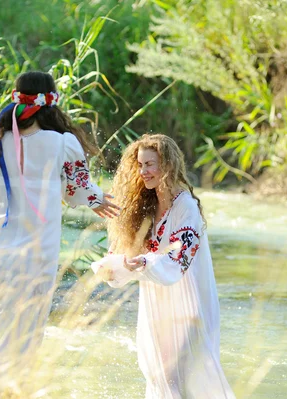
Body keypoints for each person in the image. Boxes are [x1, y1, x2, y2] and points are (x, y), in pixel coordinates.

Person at [0, 71, 119, 394]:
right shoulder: (62, 143)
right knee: (27, 329)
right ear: (51, 103)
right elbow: (77, 191)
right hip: (36, 252)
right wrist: (98, 200)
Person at [95, 134, 235, 398]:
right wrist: (111, 266)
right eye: (139, 164)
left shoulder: (186, 207)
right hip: (156, 305)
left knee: (189, 377)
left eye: (150, 164)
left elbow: (178, 259)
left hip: (188, 304)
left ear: (168, 165)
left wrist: (144, 262)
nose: (143, 171)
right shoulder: (144, 207)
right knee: (159, 375)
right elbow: (122, 255)